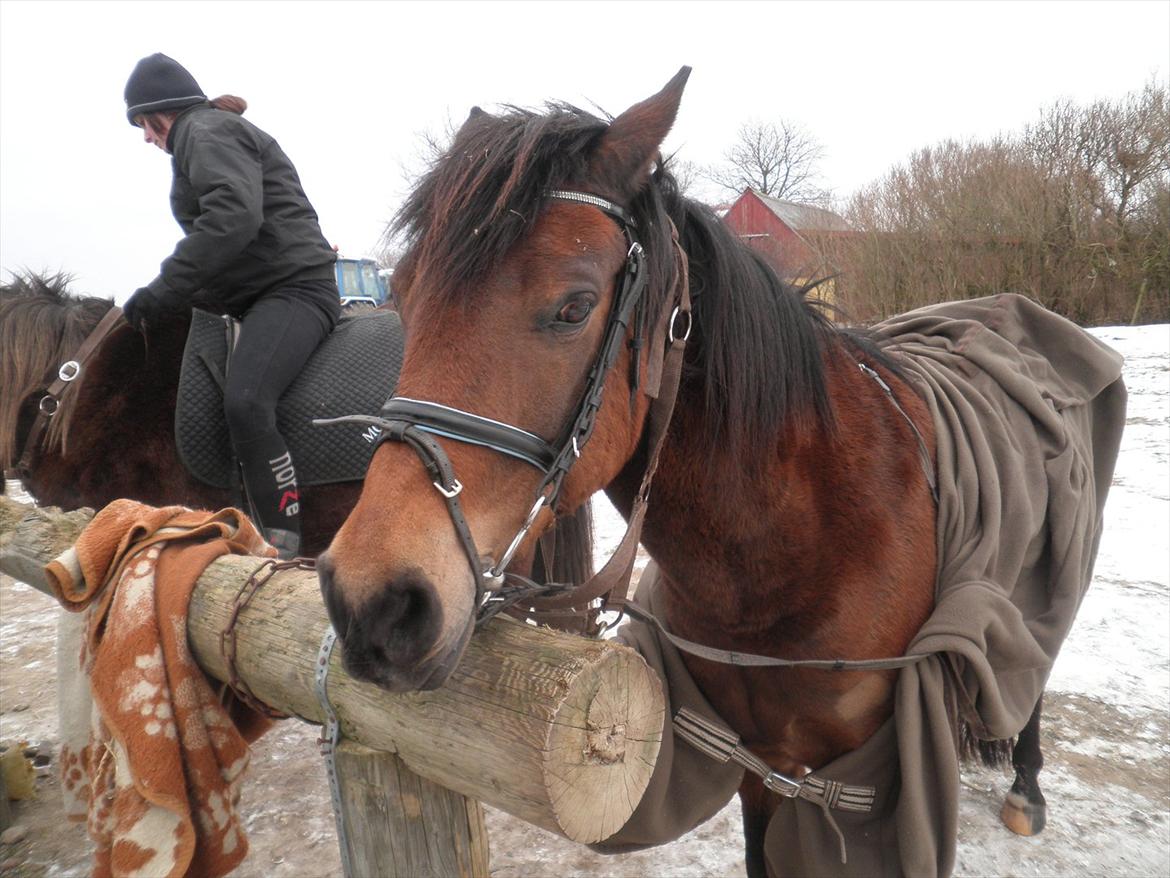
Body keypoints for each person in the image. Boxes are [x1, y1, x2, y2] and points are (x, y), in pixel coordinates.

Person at [122, 53, 341, 559]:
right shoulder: (203, 135)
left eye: (143, 125)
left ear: (160, 112)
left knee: (246, 401)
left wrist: (167, 286)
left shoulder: (205, 131)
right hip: (257, 293)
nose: (146, 138)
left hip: (294, 291)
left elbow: (234, 218)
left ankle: (282, 538)